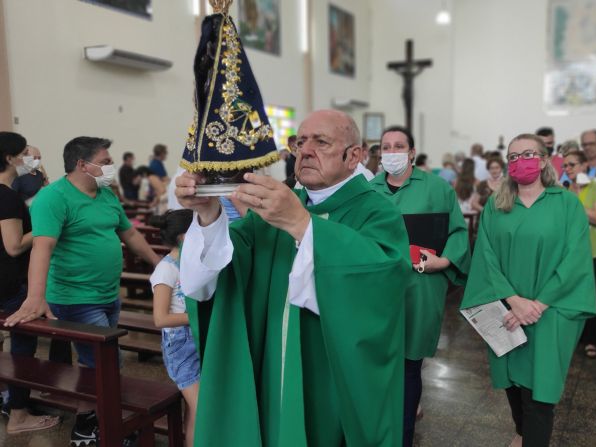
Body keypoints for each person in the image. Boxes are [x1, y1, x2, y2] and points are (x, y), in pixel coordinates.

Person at [176, 109, 410, 446]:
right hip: (272, 366)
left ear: (354, 156)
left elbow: (382, 281)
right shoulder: (275, 209)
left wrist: (303, 224)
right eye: (300, 143)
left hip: (330, 376)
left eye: (321, 142)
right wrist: (207, 211)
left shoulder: (376, 210)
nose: (305, 151)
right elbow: (222, 274)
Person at [5, 136, 160, 446]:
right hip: (75, 297)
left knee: (99, 365)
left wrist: (160, 264)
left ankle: (93, 424)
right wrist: (35, 297)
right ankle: (89, 428)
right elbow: (42, 248)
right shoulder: (54, 197)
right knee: (104, 365)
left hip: (107, 295)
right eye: (104, 161)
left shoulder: (105, 195)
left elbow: (129, 233)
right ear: (81, 164)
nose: (109, 166)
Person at [460, 134, 596, 447]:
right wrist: (514, 301)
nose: (521, 161)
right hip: (507, 308)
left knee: (539, 393)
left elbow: (575, 259)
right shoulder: (497, 206)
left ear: (545, 159)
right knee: (512, 383)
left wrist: (538, 304)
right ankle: (522, 433)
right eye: (514, 157)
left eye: (529, 154)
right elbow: (486, 255)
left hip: (552, 310)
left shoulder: (567, 205)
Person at [370, 126, 470, 447]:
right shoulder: (368, 190)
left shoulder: (437, 189)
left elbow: (457, 232)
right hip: (377, 289)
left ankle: (402, 438)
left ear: (412, 152)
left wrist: (443, 261)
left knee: (409, 365)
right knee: (376, 361)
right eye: (386, 147)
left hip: (419, 286)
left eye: (399, 146)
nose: (392, 151)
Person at [0, 132, 60, 434]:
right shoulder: (6, 195)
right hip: (10, 284)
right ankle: (19, 414)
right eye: (24, 152)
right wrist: (44, 227)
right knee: (22, 349)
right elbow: (12, 246)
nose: (29, 157)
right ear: (10, 159)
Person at [150, 209, 200, 447]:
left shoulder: (193, 263)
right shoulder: (166, 270)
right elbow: (160, 319)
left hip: (199, 338)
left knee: (194, 411)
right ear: (183, 236)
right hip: (181, 345)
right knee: (202, 409)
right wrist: (196, 316)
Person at [563, 150, 596, 358]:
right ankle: (576, 335)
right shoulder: (564, 190)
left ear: (584, 166)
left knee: (595, 295)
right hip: (573, 251)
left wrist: (575, 201)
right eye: (565, 166)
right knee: (574, 294)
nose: (568, 169)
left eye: (572, 164)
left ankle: (591, 338)